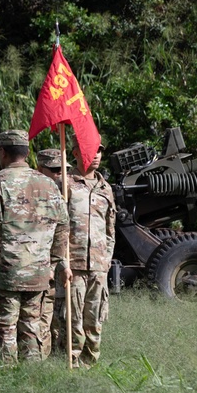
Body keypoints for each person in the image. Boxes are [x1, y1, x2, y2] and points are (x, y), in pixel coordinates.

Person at [0, 130, 70, 364]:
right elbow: (63, 226)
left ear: (2, 152)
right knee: (31, 328)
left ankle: (6, 380)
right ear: (27, 153)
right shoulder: (49, 184)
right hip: (38, 272)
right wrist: (53, 263)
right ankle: (31, 377)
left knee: (4, 330)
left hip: (4, 274)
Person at [56, 141, 116, 366]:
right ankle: (70, 366)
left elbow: (110, 229)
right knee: (72, 321)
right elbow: (58, 227)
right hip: (74, 265)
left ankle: (90, 367)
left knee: (95, 321)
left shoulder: (105, 187)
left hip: (98, 266)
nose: (97, 154)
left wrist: (106, 260)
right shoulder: (65, 184)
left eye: (100, 150)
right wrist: (62, 262)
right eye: (91, 149)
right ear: (74, 153)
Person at [35, 148, 65, 358]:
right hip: (39, 266)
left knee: (65, 316)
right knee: (42, 317)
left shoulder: (70, 192)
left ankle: (63, 356)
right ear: (40, 169)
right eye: (54, 170)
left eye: (62, 169)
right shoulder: (32, 194)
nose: (59, 175)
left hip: (65, 264)